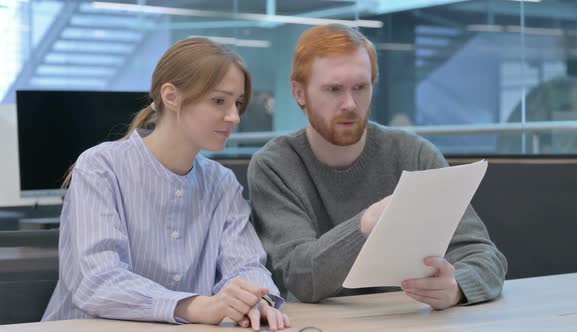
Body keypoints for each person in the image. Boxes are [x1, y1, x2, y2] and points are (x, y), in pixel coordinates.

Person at [248, 24, 508, 309]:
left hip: (408, 321)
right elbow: (299, 277)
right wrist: (366, 223)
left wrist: (458, 286)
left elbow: (485, 256)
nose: (349, 103)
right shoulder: (274, 166)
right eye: (334, 89)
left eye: (360, 87)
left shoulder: (415, 154)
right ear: (299, 93)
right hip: (321, 325)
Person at [42, 37, 289, 331]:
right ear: (171, 96)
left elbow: (246, 265)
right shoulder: (100, 167)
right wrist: (196, 305)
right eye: (218, 101)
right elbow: (99, 281)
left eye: (237, 103)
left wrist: (256, 301)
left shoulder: (222, 183)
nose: (234, 116)